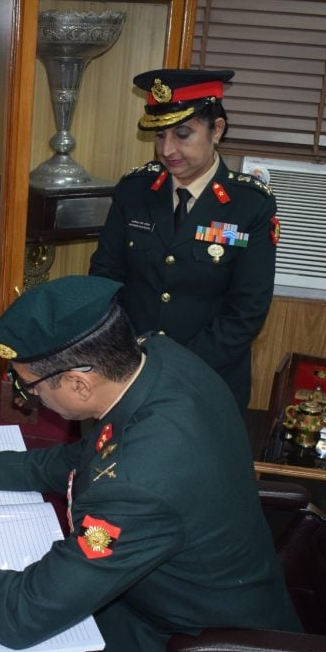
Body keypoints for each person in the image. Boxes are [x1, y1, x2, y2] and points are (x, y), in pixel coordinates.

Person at [0, 275, 299, 652]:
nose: (31, 398)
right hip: (201, 594)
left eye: (31, 387)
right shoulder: (160, 360)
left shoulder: (140, 483)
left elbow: (22, 614)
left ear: (79, 383)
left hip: (201, 650)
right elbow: (96, 452)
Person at [89, 68, 279, 415]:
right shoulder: (135, 191)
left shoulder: (250, 203)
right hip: (128, 373)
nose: (167, 149)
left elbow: (247, 310)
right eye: (160, 136)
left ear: (216, 129)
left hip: (207, 379)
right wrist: (124, 355)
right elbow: (104, 278)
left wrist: (176, 367)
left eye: (182, 134)